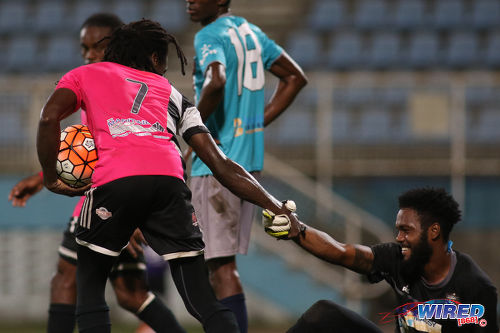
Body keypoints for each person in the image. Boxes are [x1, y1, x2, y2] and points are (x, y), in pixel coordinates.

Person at [36, 19, 300, 333]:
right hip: (170, 184)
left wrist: (51, 177)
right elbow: (221, 165)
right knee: (202, 301)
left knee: (91, 289)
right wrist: (274, 204)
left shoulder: (84, 74)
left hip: (115, 181)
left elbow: (49, 116)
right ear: (156, 58)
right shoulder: (173, 94)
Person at [9, 14, 185, 333]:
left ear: (118, 47)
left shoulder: (106, 84)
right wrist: (39, 179)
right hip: (122, 191)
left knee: (67, 279)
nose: (89, 55)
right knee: (131, 293)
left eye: (97, 47)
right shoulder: (124, 85)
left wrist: (131, 214)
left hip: (108, 195)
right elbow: (88, 153)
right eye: (83, 48)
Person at [186, 1, 308, 331]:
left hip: (217, 164)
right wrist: (256, 123)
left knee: (219, 269)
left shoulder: (209, 35)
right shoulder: (251, 32)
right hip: (248, 164)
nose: (190, 0)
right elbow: (295, 77)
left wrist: (192, 128)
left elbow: (216, 80)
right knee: (222, 267)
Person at [263, 187, 499, 333]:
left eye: (406, 230)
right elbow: (342, 252)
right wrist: (297, 230)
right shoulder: (397, 258)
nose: (399, 237)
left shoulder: (475, 287)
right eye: (398, 230)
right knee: (322, 314)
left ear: (434, 232)